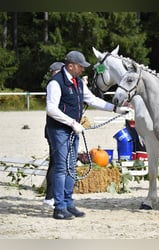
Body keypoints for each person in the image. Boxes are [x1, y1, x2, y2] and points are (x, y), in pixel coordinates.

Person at [46, 51, 118, 220]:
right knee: (61, 167)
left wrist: (114, 108)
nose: (82, 70)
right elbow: (51, 109)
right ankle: (59, 207)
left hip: (72, 130)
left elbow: (92, 100)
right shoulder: (55, 83)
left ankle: (68, 204)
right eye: (80, 66)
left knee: (71, 167)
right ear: (70, 66)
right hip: (59, 130)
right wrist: (72, 123)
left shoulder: (78, 82)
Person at [42, 62, 65, 210]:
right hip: (55, 129)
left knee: (56, 163)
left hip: (56, 129)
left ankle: (51, 196)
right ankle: (50, 196)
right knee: (56, 164)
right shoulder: (55, 85)